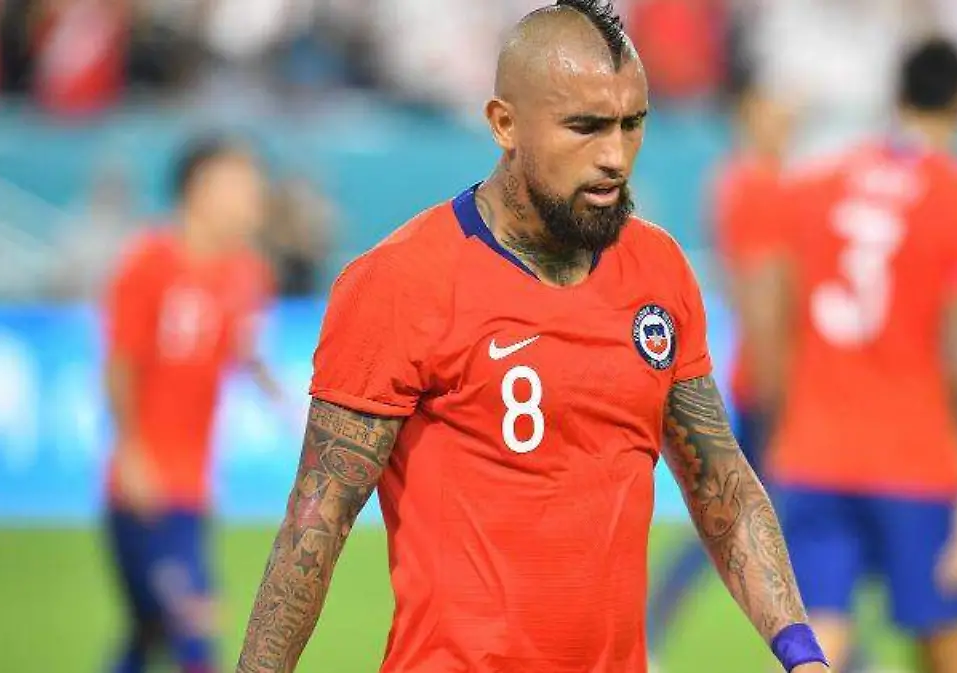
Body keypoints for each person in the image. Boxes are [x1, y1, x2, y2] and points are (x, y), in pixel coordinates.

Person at [234, 2, 828, 672]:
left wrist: (801, 653)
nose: (614, 156)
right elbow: (317, 518)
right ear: (504, 124)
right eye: (585, 127)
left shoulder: (658, 269)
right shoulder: (401, 281)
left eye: (632, 124)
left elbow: (722, 482)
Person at [758, 38, 957, 673]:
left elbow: (775, 324)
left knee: (820, 644)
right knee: (944, 640)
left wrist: (780, 426)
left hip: (815, 450)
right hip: (914, 456)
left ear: (896, 97)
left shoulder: (812, 187)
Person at [102, 136, 285, 673]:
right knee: (193, 626)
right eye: (241, 185)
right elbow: (120, 364)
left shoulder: (247, 272)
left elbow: (242, 349)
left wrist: (284, 398)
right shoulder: (148, 262)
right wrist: (132, 452)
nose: (254, 198)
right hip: (148, 486)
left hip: (195, 483)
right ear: (199, 190)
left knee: (149, 632)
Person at [645, 69, 795, 660]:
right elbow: (760, 300)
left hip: (774, 376)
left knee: (746, 514)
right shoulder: (753, 189)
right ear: (750, 113)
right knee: (744, 516)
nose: (786, 119)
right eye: (774, 107)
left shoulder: (758, 184)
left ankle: (652, 628)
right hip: (771, 381)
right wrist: (782, 387)